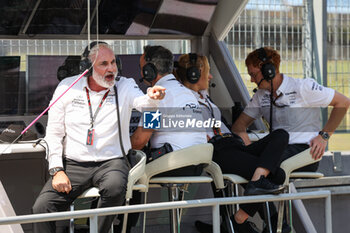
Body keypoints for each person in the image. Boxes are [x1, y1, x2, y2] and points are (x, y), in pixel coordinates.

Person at [32, 41, 166, 233]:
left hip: (112, 162)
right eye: (104, 64)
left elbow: (146, 107)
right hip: (75, 164)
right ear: (86, 68)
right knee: (41, 207)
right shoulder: (67, 87)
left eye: (113, 62)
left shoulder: (125, 85)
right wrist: (56, 169)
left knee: (114, 187)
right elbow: (53, 133)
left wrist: (152, 100)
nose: (111, 68)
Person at [174, 53, 290, 233]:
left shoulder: (205, 97)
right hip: (218, 151)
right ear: (195, 75)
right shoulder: (183, 100)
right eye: (208, 72)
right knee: (277, 174)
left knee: (281, 135)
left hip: (233, 145)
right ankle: (269, 221)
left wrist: (240, 135)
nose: (211, 77)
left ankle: (238, 219)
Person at [131, 46, 207, 173]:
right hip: (198, 164)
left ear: (149, 71)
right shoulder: (187, 93)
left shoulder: (158, 96)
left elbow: (139, 141)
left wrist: (118, 146)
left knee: (128, 170)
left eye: (142, 69)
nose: (141, 73)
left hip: (174, 165)